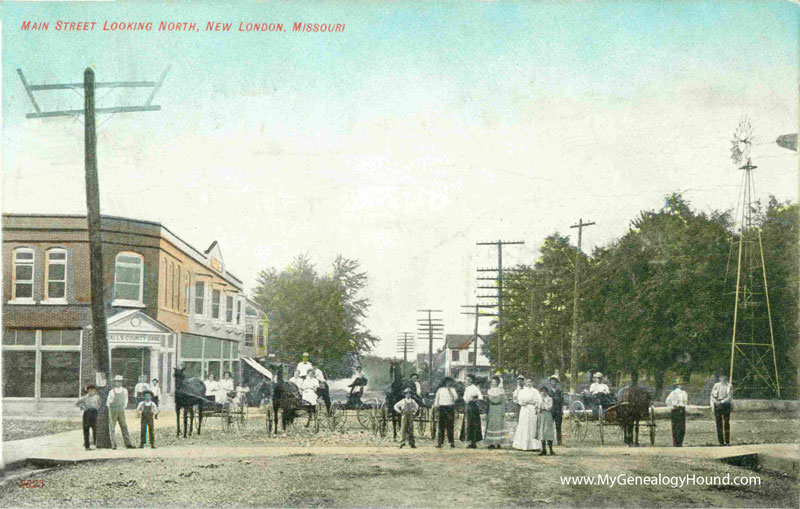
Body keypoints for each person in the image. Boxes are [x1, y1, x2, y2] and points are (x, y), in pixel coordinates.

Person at [512, 378, 542, 451]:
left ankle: (533, 446)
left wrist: (536, 406)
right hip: (524, 409)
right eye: (528, 382)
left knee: (532, 426)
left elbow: (539, 400)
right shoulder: (522, 391)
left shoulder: (535, 391)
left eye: (530, 382)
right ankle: (521, 445)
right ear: (525, 383)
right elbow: (519, 400)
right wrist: (523, 403)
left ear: (532, 383)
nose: (529, 383)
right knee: (524, 425)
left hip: (532, 409)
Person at [106, 375, 135, 449]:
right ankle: (113, 444)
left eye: (120, 382)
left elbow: (126, 400)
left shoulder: (125, 391)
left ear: (122, 382)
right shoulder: (112, 391)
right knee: (112, 427)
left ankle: (128, 444)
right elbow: (108, 402)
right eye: (117, 382)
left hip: (121, 410)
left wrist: (123, 407)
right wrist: (112, 406)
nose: (118, 383)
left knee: (124, 426)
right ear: (115, 382)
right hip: (113, 411)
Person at [433, 377, 458, 448]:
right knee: (441, 425)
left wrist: (450, 391)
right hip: (442, 408)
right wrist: (436, 406)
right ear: (444, 383)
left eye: (450, 382)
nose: (448, 383)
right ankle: (440, 442)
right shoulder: (440, 390)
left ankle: (451, 442)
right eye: (447, 382)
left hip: (450, 408)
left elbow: (456, 398)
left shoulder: (453, 390)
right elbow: (437, 399)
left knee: (450, 425)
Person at [460, 375, 483, 448]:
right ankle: (469, 441)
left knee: (473, 424)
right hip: (468, 407)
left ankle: (474, 442)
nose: (466, 381)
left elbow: (480, 397)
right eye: (466, 379)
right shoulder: (467, 388)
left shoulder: (475, 388)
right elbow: (465, 398)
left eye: (467, 379)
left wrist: (474, 399)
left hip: (473, 407)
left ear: (471, 381)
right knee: (468, 423)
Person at [75, 384, 101, 450]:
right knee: (86, 429)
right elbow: (76, 403)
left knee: (95, 429)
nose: (92, 391)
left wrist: (97, 408)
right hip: (87, 413)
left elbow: (100, 404)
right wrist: (83, 407)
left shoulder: (97, 397)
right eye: (90, 390)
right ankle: (87, 446)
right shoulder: (84, 397)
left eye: (93, 390)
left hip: (94, 413)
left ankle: (96, 444)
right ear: (87, 390)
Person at [484, 376, 506, 449]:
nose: (493, 383)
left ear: (498, 382)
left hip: (498, 408)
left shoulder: (501, 391)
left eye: (495, 382)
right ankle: (491, 443)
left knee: (498, 424)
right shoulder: (489, 391)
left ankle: (498, 442)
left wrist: (495, 399)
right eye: (492, 382)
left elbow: (500, 400)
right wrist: (494, 399)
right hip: (492, 408)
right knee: (492, 424)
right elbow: (491, 400)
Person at [710, 375, 733, 446]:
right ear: (719, 378)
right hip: (717, 404)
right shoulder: (716, 385)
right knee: (718, 423)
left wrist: (722, 402)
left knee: (726, 423)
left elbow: (729, 397)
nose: (723, 379)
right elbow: (712, 395)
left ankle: (727, 441)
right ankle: (720, 442)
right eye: (721, 377)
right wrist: (716, 402)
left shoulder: (729, 386)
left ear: (726, 378)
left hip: (725, 404)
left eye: (724, 377)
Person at [666, 380, 688, 447]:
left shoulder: (684, 393)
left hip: (681, 409)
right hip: (676, 409)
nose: (681, 386)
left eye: (682, 384)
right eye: (680, 385)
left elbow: (685, 402)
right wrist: (672, 407)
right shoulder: (674, 393)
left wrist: (684, 407)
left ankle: (679, 442)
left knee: (681, 427)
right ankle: (676, 442)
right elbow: (667, 401)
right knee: (676, 426)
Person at [536, 385, 556, 455]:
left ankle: (551, 450)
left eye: (544, 391)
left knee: (548, 431)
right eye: (541, 391)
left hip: (548, 415)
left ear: (547, 392)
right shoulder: (539, 399)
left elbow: (549, 407)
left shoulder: (549, 399)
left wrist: (543, 403)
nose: (543, 393)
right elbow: (537, 407)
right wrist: (538, 409)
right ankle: (543, 450)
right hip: (541, 416)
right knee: (542, 432)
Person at [548, 374, 564, 445]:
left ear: (556, 383)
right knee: (549, 426)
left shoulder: (559, 391)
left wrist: (561, 410)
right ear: (550, 383)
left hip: (558, 411)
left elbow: (562, 401)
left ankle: (559, 441)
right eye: (552, 381)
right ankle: (549, 440)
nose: (553, 383)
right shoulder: (548, 391)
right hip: (551, 410)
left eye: (555, 382)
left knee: (558, 426)